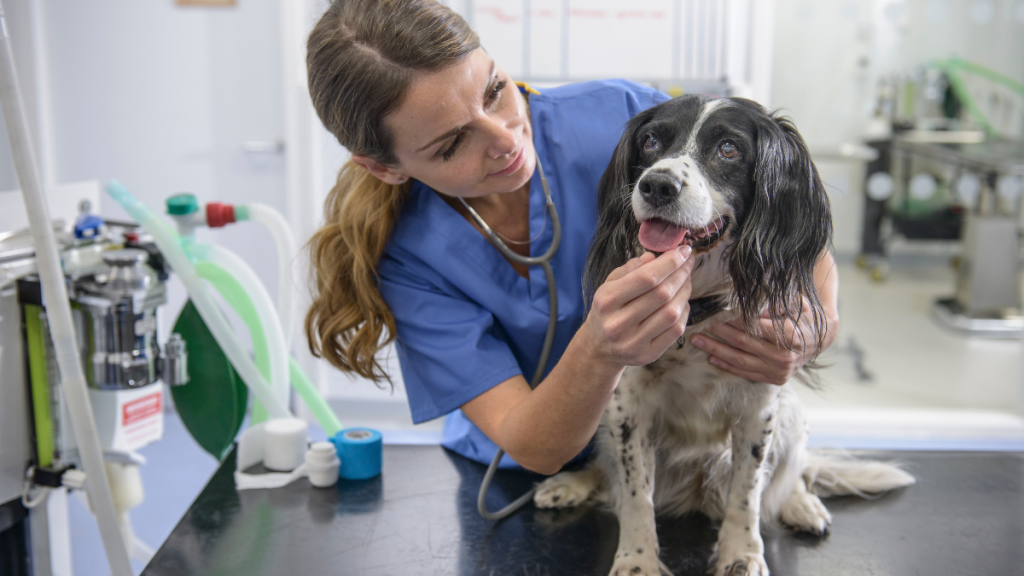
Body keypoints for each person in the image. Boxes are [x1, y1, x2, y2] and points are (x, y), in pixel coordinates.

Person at [304, 0, 839, 476]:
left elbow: (786, 217)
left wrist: (813, 324)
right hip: (527, 475)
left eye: (495, 91)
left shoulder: (624, 117)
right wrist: (599, 351)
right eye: (452, 143)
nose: (505, 138)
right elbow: (533, 446)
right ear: (385, 168)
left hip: (671, 451)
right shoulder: (409, 258)